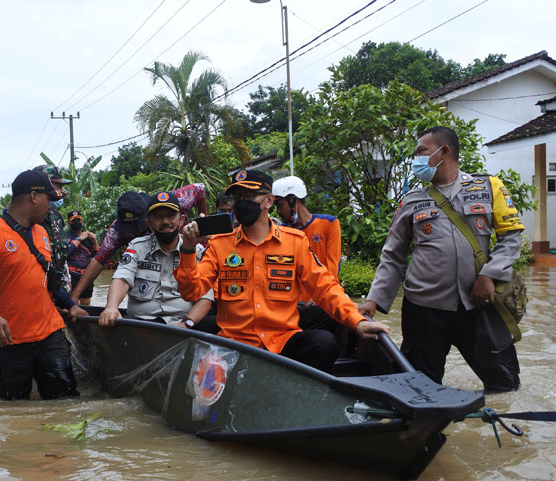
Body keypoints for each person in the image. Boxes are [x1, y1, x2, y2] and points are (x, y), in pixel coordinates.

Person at [359, 126, 524, 393]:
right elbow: (393, 255)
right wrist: (373, 300)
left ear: (443, 151)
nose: (416, 159)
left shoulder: (488, 187)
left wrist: (488, 275)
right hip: (423, 310)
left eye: (421, 151)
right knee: (421, 389)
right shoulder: (412, 201)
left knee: (505, 386)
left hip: (478, 306)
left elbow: (511, 237)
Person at [175, 169, 389, 374]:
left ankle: (303, 401)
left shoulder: (294, 243)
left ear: (269, 200)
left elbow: (325, 287)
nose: (241, 203)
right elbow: (191, 292)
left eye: (249, 195)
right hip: (235, 344)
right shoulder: (220, 245)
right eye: (236, 197)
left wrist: (357, 321)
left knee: (323, 343)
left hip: (282, 340)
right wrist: (188, 249)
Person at [0, 169, 88, 400]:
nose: (50, 206)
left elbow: (47, 279)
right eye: (48, 199)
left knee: (66, 402)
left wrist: (71, 304)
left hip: (50, 333)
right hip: (8, 340)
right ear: (34, 197)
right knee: (12, 407)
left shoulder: (42, 233)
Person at [70, 183, 208, 302]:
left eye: (169, 216)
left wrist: (203, 223)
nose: (165, 220)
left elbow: (201, 189)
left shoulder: (176, 200)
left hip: (186, 253)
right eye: (130, 229)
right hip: (149, 264)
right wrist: (75, 296)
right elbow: (99, 260)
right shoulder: (117, 230)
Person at [99, 192, 214, 329]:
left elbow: (206, 298)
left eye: (171, 216)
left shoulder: (197, 250)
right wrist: (111, 307)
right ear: (149, 223)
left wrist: (187, 324)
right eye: (158, 217)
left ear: (182, 220)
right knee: (113, 323)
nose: (165, 221)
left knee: (218, 324)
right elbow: (122, 278)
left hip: (184, 325)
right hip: (142, 323)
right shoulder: (137, 247)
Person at [272, 175, 341, 281]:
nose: (278, 211)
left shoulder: (329, 223)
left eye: (280, 205)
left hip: (323, 292)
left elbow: (332, 267)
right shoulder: (282, 232)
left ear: (293, 200)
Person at [34, 164, 71, 291]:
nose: (60, 191)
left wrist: (67, 282)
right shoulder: (28, 221)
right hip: (40, 290)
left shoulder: (56, 215)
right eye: (58, 185)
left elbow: (62, 255)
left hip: (60, 289)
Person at [65, 210, 98, 304]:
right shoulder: (65, 236)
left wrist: (95, 241)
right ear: (68, 223)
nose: (76, 223)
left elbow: (97, 256)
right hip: (71, 275)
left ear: (82, 221)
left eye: (78, 220)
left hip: (86, 275)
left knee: (86, 303)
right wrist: (79, 239)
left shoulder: (89, 237)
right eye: (73, 221)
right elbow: (65, 253)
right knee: (71, 303)